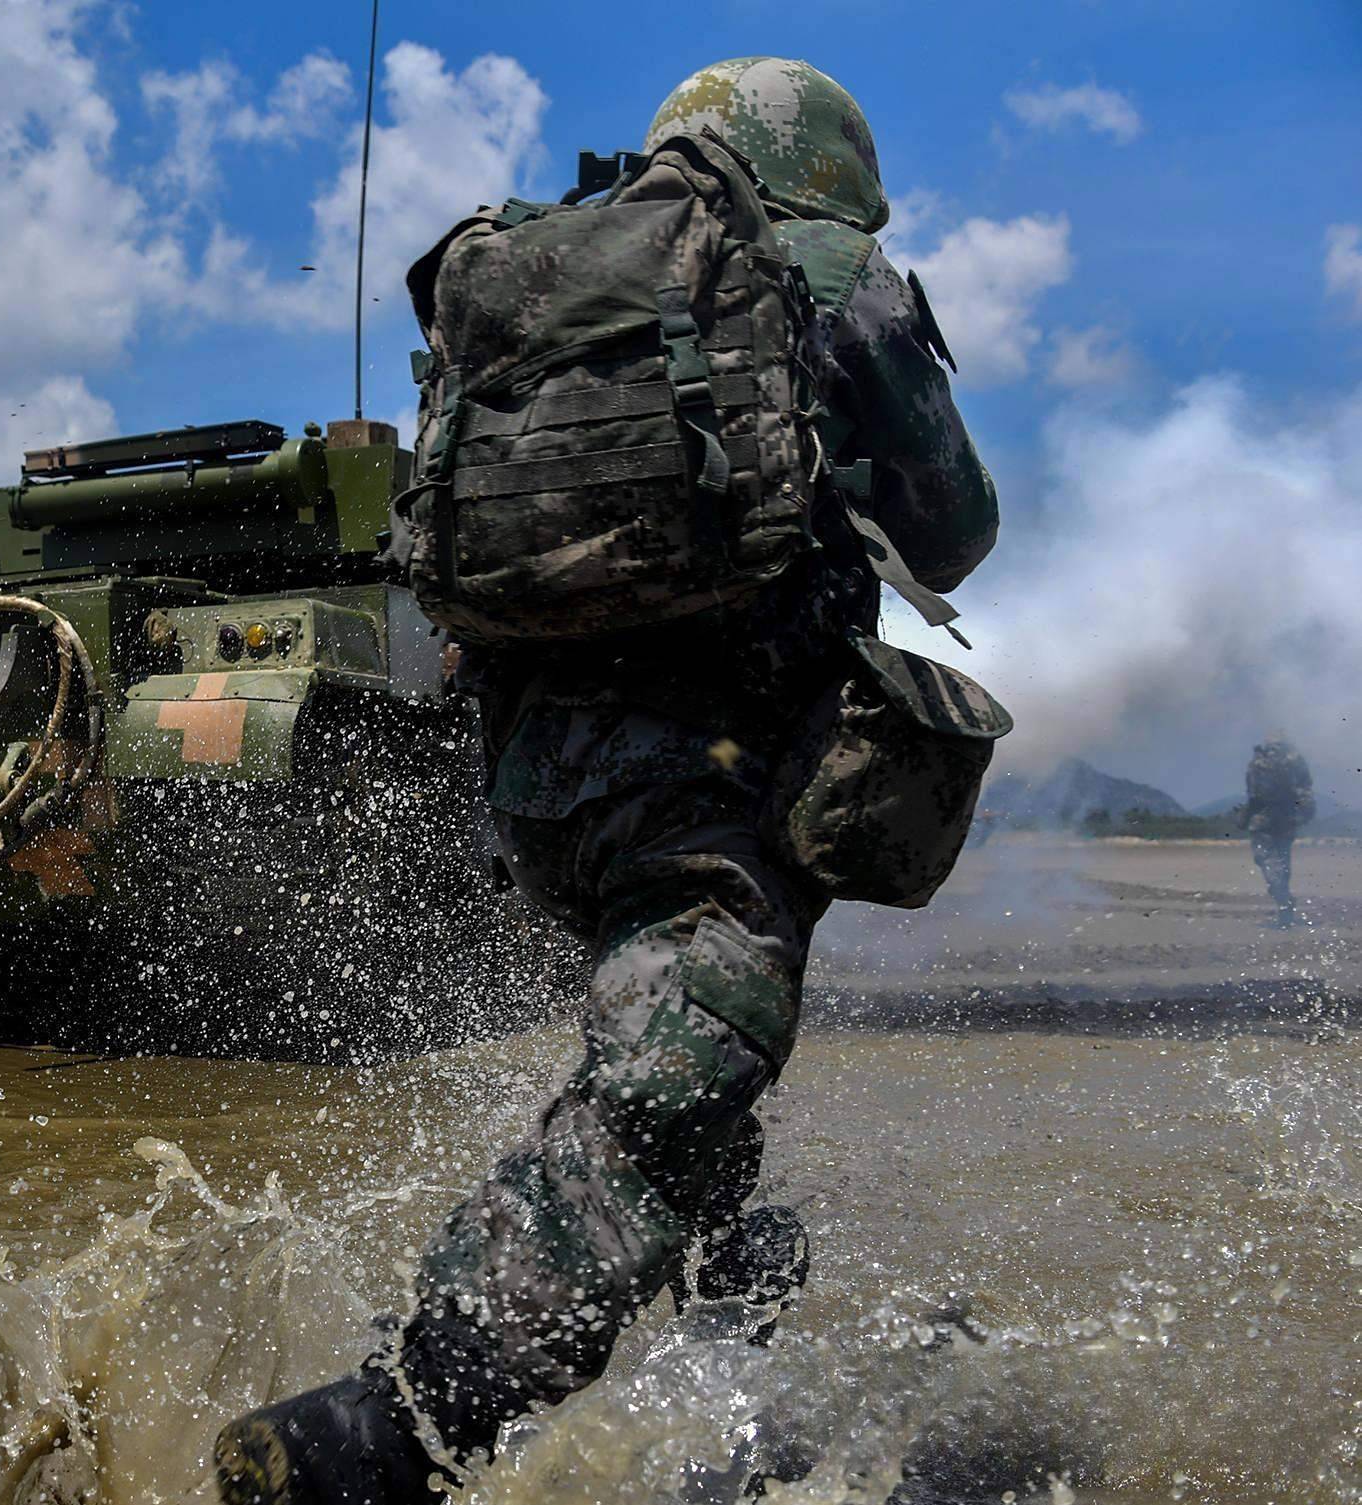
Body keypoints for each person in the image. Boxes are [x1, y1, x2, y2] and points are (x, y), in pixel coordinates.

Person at [214, 58, 1000, 1503]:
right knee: (671, 1082)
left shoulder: (533, 280)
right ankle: (397, 1421)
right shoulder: (822, 273)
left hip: (530, 787)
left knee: (674, 1065)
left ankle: (728, 1308)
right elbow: (952, 527)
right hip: (704, 779)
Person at [1244, 734, 1313, 927]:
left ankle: (1284, 902)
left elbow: (1253, 795)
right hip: (1285, 822)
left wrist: (1245, 817)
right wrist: (1303, 815)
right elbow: (1305, 791)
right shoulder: (1294, 762)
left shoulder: (1259, 763)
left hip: (1265, 823)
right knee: (1281, 866)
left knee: (1270, 864)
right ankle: (1284, 904)